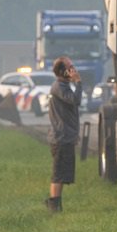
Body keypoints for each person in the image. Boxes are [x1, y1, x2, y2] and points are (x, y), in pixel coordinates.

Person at [45, 56, 82, 213]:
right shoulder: (59, 87)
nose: (73, 70)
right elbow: (75, 100)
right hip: (61, 138)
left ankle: (56, 203)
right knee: (58, 173)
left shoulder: (63, 86)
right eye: (70, 67)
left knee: (63, 173)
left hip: (66, 136)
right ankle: (54, 205)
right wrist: (78, 82)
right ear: (62, 71)